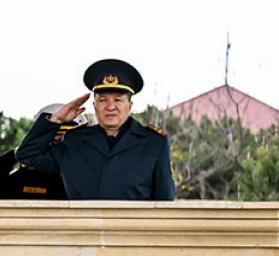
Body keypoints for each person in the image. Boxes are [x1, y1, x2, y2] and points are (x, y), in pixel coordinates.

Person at [15, 58, 175, 200]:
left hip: (133, 232)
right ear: (94, 106)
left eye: (118, 100)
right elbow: (27, 154)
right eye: (103, 100)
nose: (110, 107)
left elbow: (165, 202)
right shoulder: (75, 141)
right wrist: (56, 120)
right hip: (84, 232)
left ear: (130, 106)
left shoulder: (154, 143)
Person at [0, 103, 89, 199]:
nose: (57, 140)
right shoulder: (29, 175)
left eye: (63, 135)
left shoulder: (83, 173)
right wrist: (16, 153)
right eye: (54, 135)